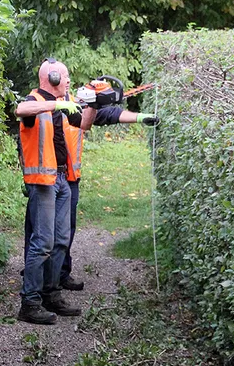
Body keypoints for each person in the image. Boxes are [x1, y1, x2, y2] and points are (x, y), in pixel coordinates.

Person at [15, 58, 96, 325]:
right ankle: (30, 302)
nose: (70, 81)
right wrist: (57, 104)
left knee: (61, 240)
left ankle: (52, 294)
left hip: (63, 179)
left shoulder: (65, 103)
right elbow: (20, 109)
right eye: (66, 76)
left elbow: (83, 123)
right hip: (44, 182)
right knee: (42, 243)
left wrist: (95, 103)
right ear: (51, 78)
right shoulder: (34, 101)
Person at [57, 103, 159, 291]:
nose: (67, 83)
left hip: (70, 179)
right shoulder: (40, 104)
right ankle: (37, 279)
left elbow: (109, 114)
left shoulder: (75, 106)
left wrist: (140, 117)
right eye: (65, 80)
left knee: (66, 230)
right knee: (41, 232)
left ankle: (60, 274)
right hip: (45, 180)